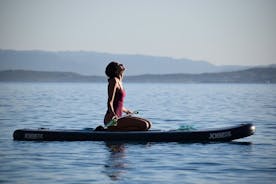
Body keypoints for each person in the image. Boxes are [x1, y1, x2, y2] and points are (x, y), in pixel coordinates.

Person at [103, 61, 151, 131]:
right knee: (144, 125)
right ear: (115, 70)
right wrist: (113, 114)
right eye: (119, 65)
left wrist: (127, 111)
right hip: (111, 120)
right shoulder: (113, 81)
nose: (122, 64)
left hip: (119, 117)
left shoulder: (120, 82)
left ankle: (116, 130)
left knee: (149, 124)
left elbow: (118, 104)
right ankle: (111, 128)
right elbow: (110, 102)